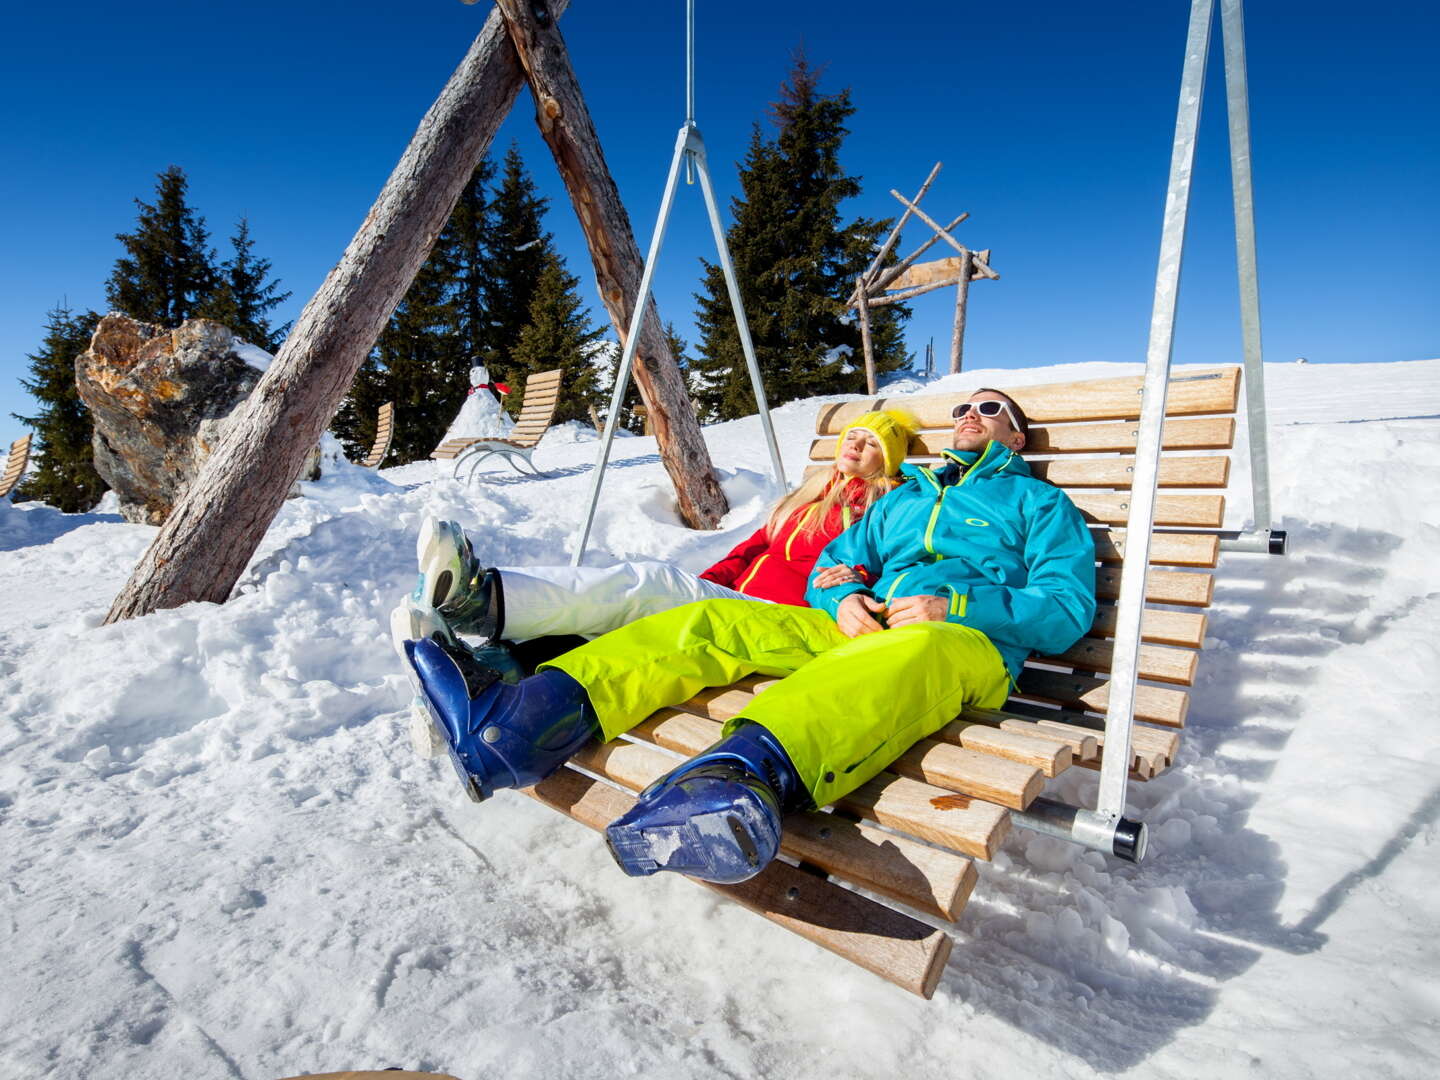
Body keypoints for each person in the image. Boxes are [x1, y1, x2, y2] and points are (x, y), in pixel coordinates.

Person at [403, 389, 1097, 885]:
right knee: (710, 619)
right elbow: (834, 563)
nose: (970, 416)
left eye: (990, 410)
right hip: (857, 627)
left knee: (910, 650)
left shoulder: (1038, 503)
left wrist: (959, 604)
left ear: (1017, 437)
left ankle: (735, 783)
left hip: (962, 647)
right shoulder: (910, 498)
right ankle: (515, 726)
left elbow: (1067, 611)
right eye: (963, 408)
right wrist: (847, 592)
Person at [391, 408, 919, 649]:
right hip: (736, 606)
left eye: (871, 443)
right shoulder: (806, 497)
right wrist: (708, 587)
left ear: (887, 461)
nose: (855, 445)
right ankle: (489, 661)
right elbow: (751, 550)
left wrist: (854, 584)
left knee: (651, 583)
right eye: (852, 436)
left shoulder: (885, 509)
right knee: (634, 612)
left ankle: (480, 602)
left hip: (792, 621)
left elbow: (889, 569)